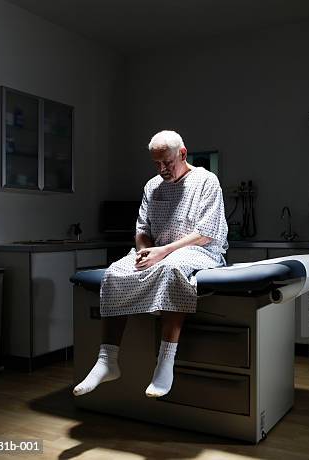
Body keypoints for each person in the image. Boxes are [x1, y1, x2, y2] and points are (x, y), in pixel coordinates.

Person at [73, 130, 228, 398]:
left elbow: (206, 232)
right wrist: (145, 252)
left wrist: (163, 253)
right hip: (159, 252)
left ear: (183, 153)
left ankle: (165, 362)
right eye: (156, 163)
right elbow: (142, 229)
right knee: (115, 272)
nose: (162, 169)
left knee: (171, 269)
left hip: (200, 251)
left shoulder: (206, 181)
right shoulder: (152, 186)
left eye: (167, 162)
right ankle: (107, 360)